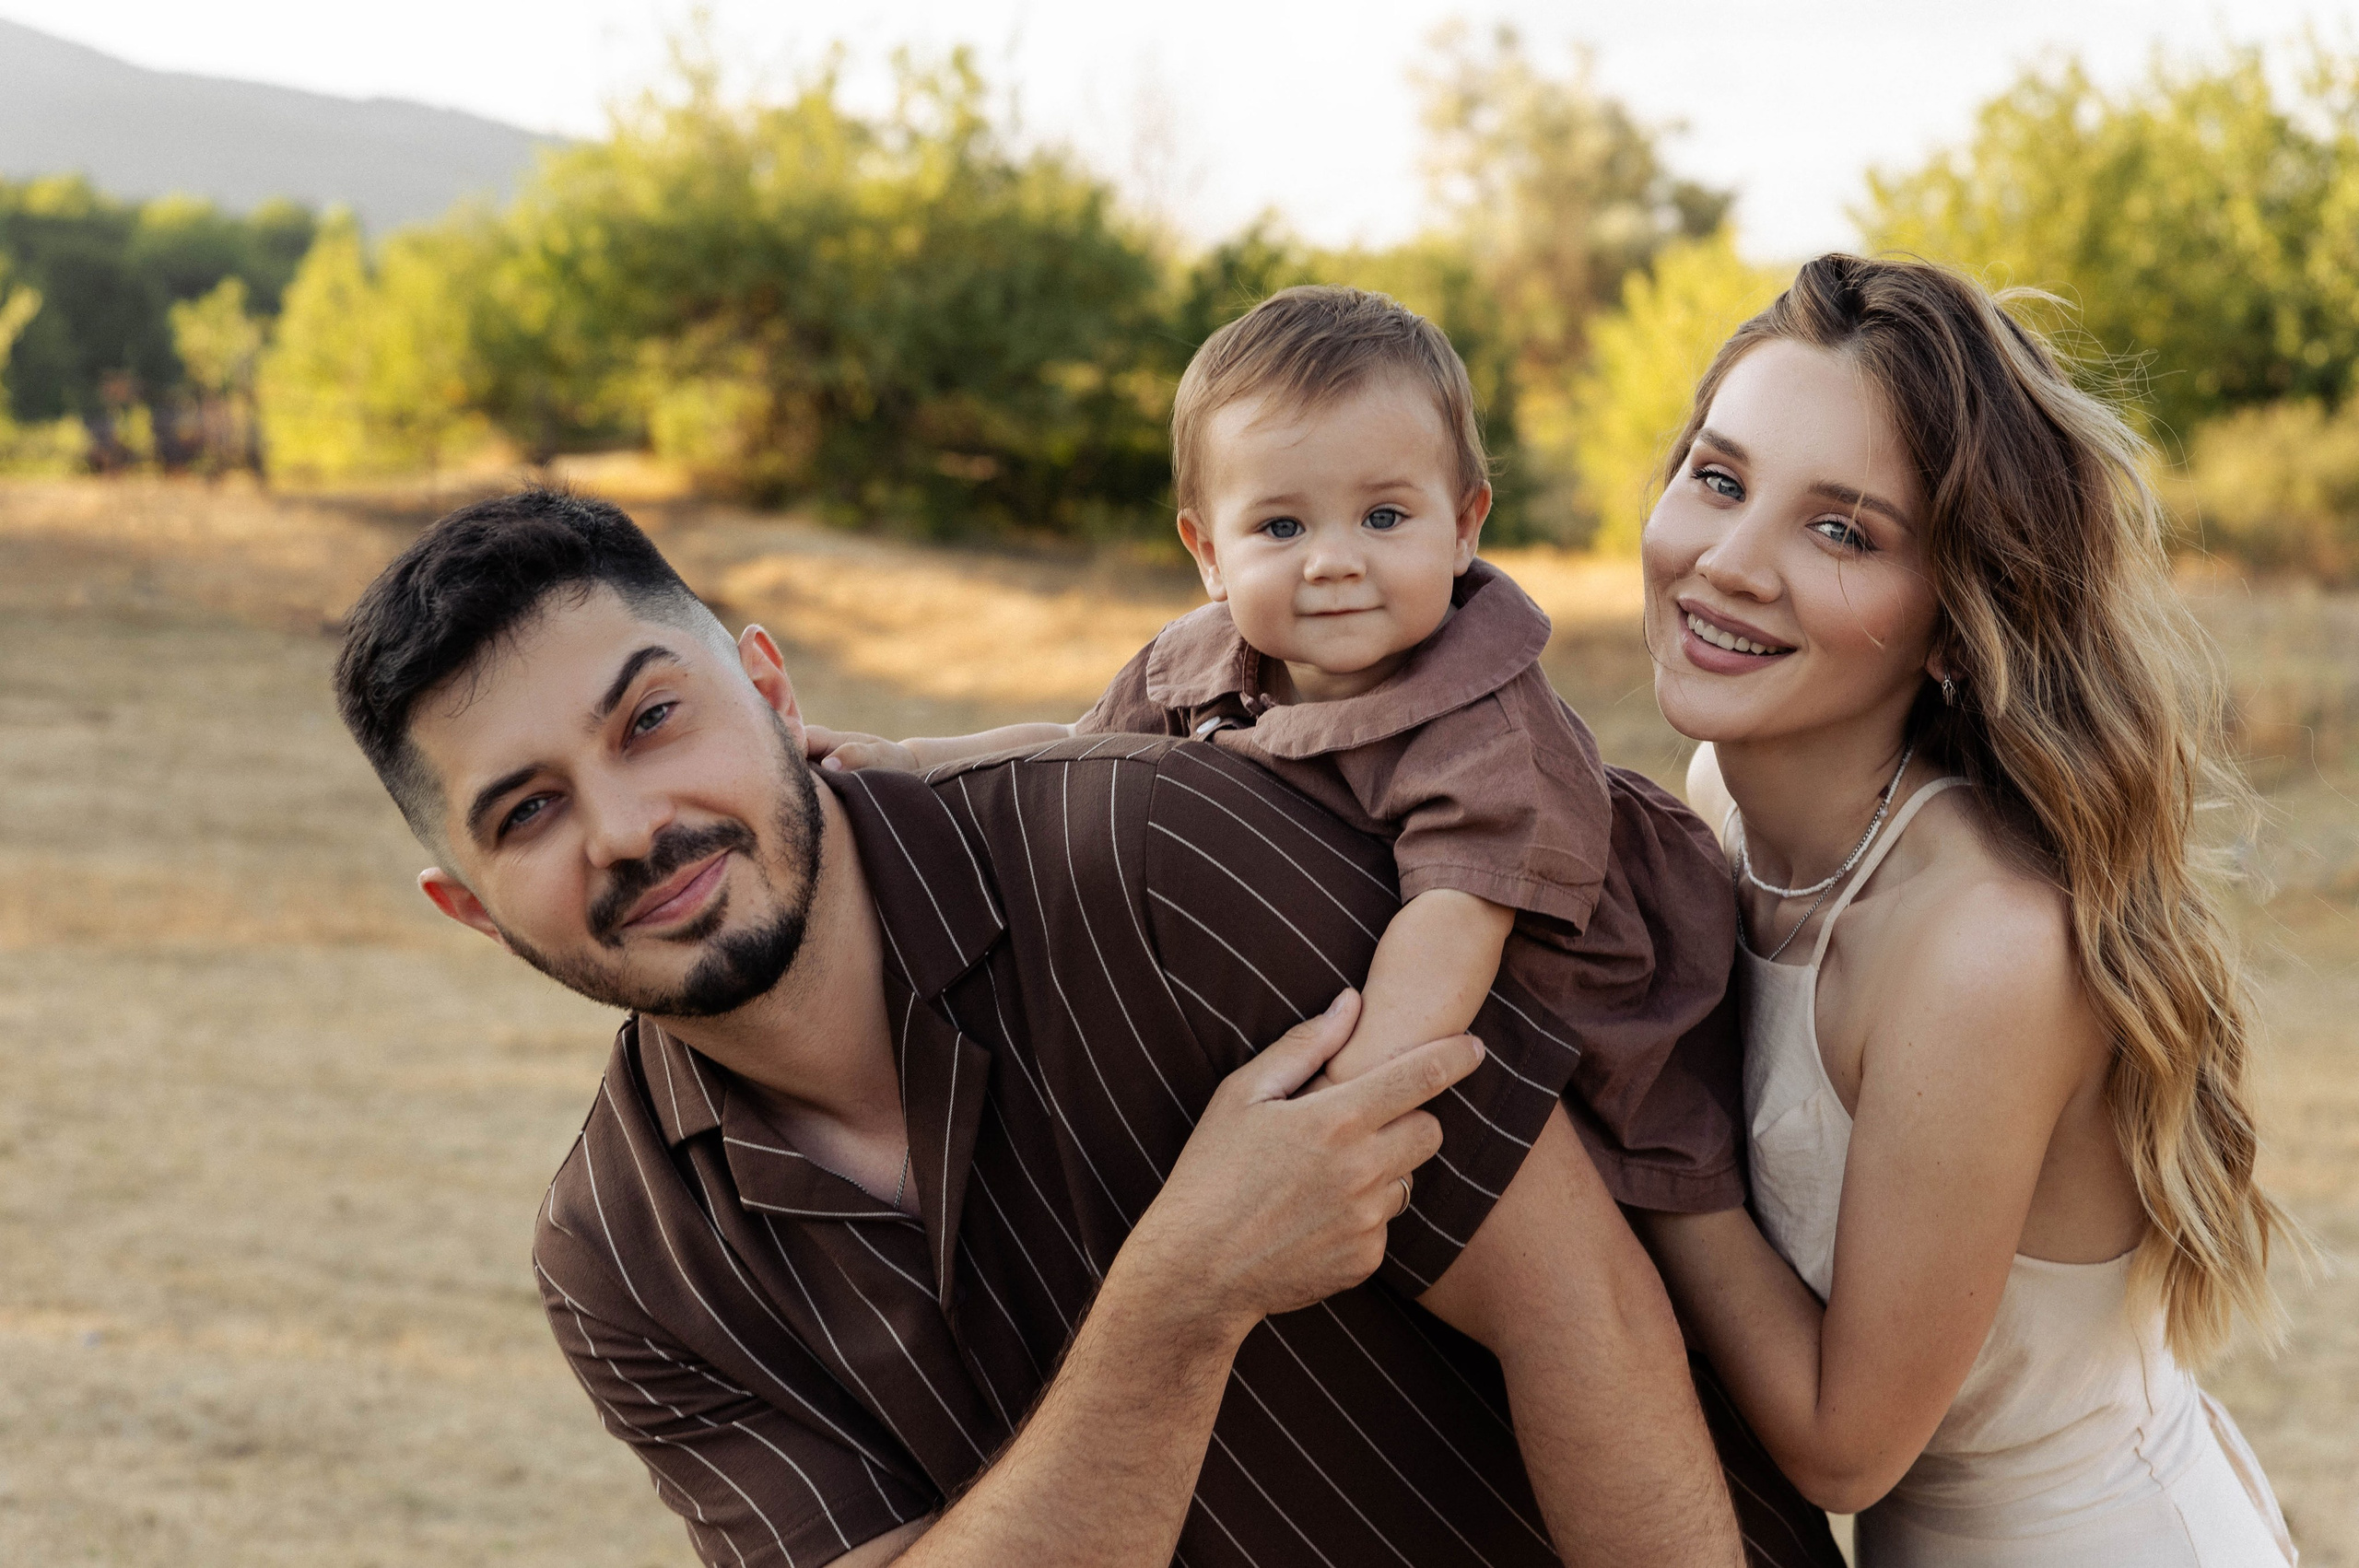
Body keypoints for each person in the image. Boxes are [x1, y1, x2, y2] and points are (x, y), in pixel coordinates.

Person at [330, 489, 1842, 1567]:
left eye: (651, 719)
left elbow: (1583, 1313)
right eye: (528, 812)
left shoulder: (1152, 858)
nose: (629, 826)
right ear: (471, 907)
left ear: (768, 685)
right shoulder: (621, 1258)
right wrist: (1183, 1294)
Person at [1633, 253, 2300, 1565]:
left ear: (1954, 622)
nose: (1728, 561)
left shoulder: (1981, 944)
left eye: (1841, 530)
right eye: (1719, 479)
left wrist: (1642, 1116)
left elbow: (1844, 1442)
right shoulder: (1720, 797)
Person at [812, 285, 1747, 1219]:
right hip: (1425, 1027)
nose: (1332, 560)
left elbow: (1449, 934)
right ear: (1209, 552)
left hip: (1611, 1053)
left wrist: (1335, 1120)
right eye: (1282, 527)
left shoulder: (1485, 725)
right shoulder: (1201, 663)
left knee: (1682, 1256)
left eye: (1384, 518)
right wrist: (909, 754)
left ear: (1463, 525)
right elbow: (1070, 753)